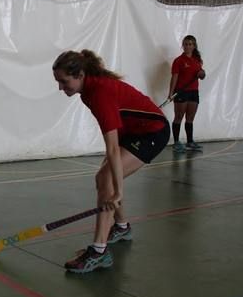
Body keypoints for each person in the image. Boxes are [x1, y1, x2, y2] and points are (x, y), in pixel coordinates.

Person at [53, 50, 170, 273]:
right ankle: (122, 227)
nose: (60, 87)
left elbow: (113, 149)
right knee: (103, 178)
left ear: (79, 74)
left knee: (107, 179)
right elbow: (114, 142)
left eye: (63, 81)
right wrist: (113, 187)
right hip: (132, 132)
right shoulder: (88, 90)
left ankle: (98, 251)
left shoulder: (99, 93)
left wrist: (118, 192)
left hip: (152, 133)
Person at [168, 35, 206, 152]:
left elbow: (202, 76)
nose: (188, 46)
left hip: (194, 92)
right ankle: (176, 143)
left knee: (190, 118)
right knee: (179, 117)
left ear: (194, 46)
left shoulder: (197, 60)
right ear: (183, 46)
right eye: (185, 44)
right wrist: (171, 93)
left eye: (190, 44)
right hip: (181, 92)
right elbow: (174, 77)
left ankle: (190, 142)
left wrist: (202, 73)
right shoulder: (178, 61)